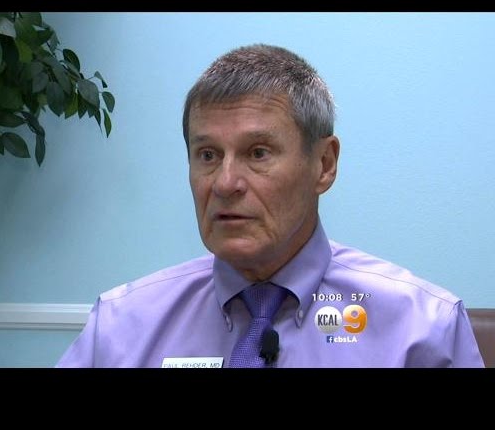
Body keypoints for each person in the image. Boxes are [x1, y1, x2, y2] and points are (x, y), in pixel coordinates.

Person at [56, 44, 484, 368]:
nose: (225, 183)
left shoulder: (422, 329)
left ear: (324, 164)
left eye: (258, 153)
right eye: (208, 155)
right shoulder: (121, 327)